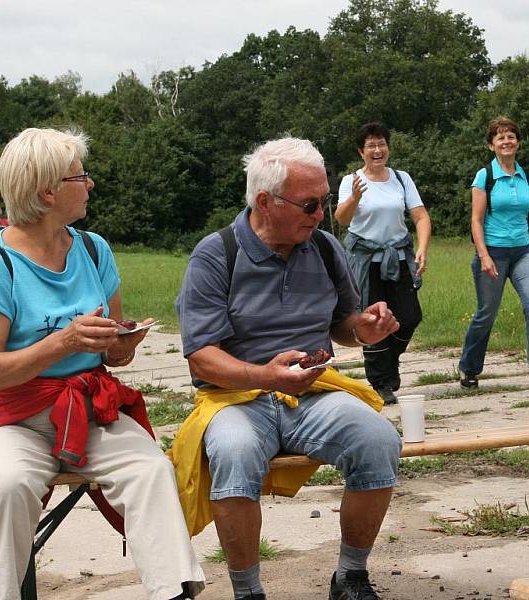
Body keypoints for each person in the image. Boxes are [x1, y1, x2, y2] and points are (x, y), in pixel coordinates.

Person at [0, 128, 205, 600]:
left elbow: (113, 355)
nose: (91, 184)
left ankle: (174, 593)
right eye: (81, 176)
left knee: (151, 470)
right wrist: (64, 342)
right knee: (7, 482)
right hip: (9, 417)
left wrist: (123, 342)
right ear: (48, 191)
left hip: (86, 408)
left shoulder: (92, 249)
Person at [173, 136, 402, 600]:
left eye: (325, 201)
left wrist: (364, 331)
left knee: (379, 440)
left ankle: (351, 576)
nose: (321, 214)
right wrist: (266, 376)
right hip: (234, 398)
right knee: (233, 453)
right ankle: (248, 591)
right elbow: (202, 356)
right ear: (264, 201)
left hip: (311, 393)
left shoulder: (323, 247)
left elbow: (342, 326)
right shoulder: (216, 254)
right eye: (310, 203)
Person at [458, 116, 529, 392]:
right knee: (487, 313)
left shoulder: (527, 177)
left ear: (517, 142)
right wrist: (483, 256)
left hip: (523, 252)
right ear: (491, 145)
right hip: (493, 252)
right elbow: (476, 220)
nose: (506, 141)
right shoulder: (486, 176)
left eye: (511, 136)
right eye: (500, 137)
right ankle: (469, 368)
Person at [335, 122, 431, 405]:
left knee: (409, 316)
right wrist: (355, 196)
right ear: (361, 152)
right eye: (371, 146)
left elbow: (421, 217)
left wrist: (422, 248)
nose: (377, 150)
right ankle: (381, 383)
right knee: (372, 320)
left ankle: (388, 364)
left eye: (381, 144)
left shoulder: (401, 178)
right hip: (366, 262)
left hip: (399, 257)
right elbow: (342, 219)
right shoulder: (350, 181)